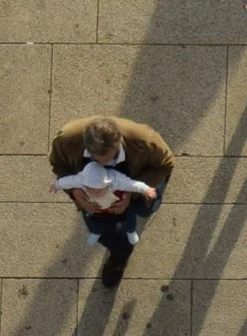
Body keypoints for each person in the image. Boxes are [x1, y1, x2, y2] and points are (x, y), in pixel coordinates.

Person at [47, 114, 174, 289]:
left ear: (119, 142)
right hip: (95, 200)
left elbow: (166, 163)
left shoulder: (144, 140)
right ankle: (120, 255)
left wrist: (130, 194)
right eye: (96, 159)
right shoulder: (66, 140)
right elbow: (58, 164)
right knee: (101, 228)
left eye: (108, 159)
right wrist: (75, 191)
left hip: (133, 185)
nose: (103, 164)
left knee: (145, 209)